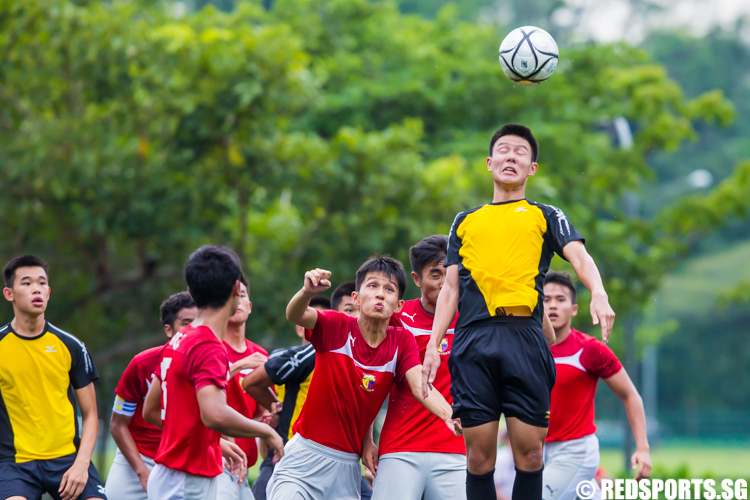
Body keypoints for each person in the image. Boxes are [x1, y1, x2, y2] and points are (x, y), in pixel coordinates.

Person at [423, 124, 616, 500]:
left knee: (529, 453)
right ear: (490, 162)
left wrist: (600, 293)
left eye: (521, 152)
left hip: (525, 340)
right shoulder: (465, 220)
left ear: (532, 168)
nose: (511, 156)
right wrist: (433, 344)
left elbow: (579, 255)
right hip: (473, 340)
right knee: (478, 456)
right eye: (504, 150)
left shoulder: (545, 214)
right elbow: (450, 288)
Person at [267, 257, 460, 500]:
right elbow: (295, 315)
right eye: (373, 286)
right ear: (356, 299)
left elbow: (420, 384)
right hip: (305, 458)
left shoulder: (402, 341)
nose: (380, 294)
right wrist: (306, 291)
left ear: (399, 305)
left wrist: (448, 415)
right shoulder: (337, 325)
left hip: (348, 468)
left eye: (389, 289)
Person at [141, 245, 284, 500]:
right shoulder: (209, 346)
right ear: (235, 289)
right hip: (187, 482)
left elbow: (152, 410)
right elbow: (215, 414)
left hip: (172, 476)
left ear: (190, 291)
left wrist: (214, 443)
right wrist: (267, 432)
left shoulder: (180, 338)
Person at [0, 255, 106, 500]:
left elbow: (90, 416)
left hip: (68, 461)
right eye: (26, 283)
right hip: (15, 465)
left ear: (48, 292)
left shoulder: (72, 346)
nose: (36, 289)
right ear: (9, 294)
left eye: (41, 283)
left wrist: (81, 465)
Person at [372, 235, 466, 500]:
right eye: (436, 275)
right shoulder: (397, 319)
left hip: (456, 447)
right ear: (416, 279)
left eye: (450, 274)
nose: (445, 282)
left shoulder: (473, 320)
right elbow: (371, 380)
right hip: (400, 447)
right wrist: (367, 438)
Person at [542, 271, 650, 500]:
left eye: (560, 300)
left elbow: (630, 395)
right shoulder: (525, 349)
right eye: (545, 299)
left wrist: (642, 449)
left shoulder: (590, 350)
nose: (552, 306)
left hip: (575, 451)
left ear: (573, 309)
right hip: (533, 451)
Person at [106, 292, 197, 500]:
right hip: (140, 457)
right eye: (186, 323)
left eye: (197, 323)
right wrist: (141, 471)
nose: (192, 331)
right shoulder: (142, 364)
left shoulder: (208, 365)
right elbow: (117, 424)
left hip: (186, 459)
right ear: (168, 329)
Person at [243, 296, 330, 500]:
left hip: (325, 459)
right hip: (285, 453)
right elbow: (253, 387)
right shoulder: (291, 359)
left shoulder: (343, 361)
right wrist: (275, 410)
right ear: (300, 328)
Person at [218, 276, 270, 500]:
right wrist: (239, 366)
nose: (237, 302)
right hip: (215, 458)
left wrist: (269, 417)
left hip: (245, 464)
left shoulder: (261, 355)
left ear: (249, 306)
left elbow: (261, 412)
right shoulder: (212, 347)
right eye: (231, 296)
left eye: (242, 296)